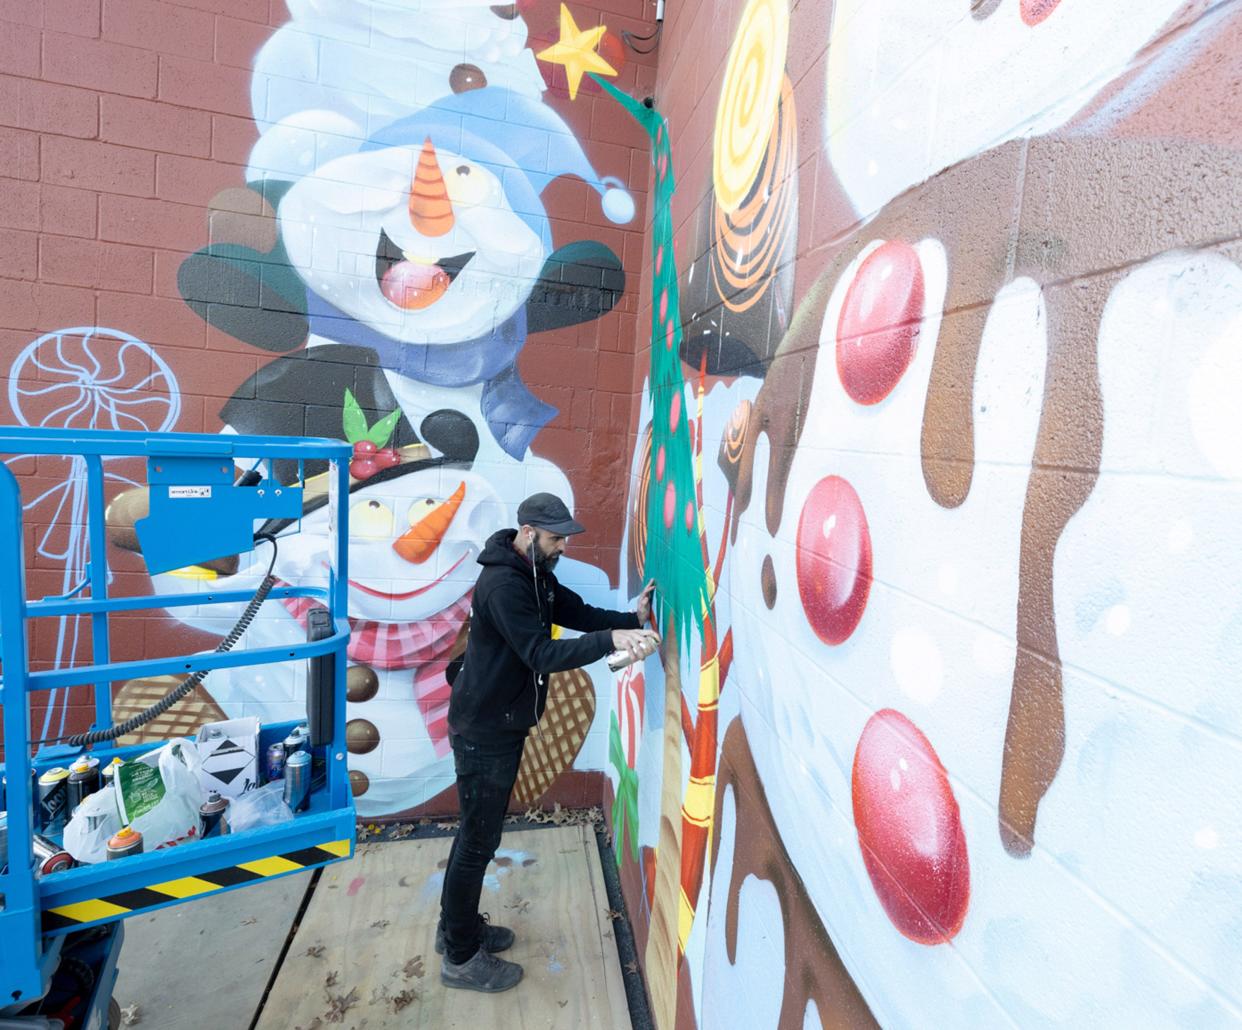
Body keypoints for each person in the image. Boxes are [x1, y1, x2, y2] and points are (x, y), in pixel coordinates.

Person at [437, 492, 659, 993]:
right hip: (484, 730)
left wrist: (630, 620)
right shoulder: (503, 584)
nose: (563, 546)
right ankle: (459, 955)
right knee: (478, 841)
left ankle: (459, 929)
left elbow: (575, 611)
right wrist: (611, 643)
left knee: (476, 837)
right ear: (530, 531)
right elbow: (539, 653)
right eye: (557, 537)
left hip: (498, 723)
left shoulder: (534, 574)